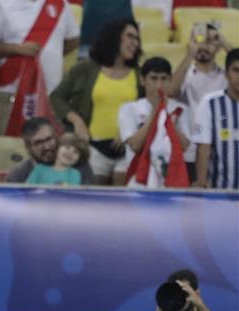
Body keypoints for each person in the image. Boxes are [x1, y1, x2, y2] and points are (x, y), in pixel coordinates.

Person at [0, 0, 80, 135]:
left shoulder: (59, 3)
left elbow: (73, 39)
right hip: (10, 88)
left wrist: (46, 54)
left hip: (51, 90)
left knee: (48, 146)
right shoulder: (1, 5)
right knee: (7, 144)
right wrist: (18, 49)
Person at [51, 18, 142, 184]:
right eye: (130, 36)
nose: (135, 42)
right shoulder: (85, 69)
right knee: (94, 196)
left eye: (137, 38)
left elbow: (149, 109)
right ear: (114, 37)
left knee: (123, 200)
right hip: (93, 147)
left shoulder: (139, 75)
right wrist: (77, 120)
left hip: (128, 149)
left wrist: (130, 133)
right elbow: (56, 97)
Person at [118, 57, 190, 188]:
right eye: (153, 78)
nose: (159, 85)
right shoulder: (129, 109)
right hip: (139, 179)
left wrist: (166, 114)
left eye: (164, 79)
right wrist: (155, 112)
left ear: (170, 80)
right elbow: (135, 146)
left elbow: (184, 146)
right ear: (142, 80)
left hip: (171, 179)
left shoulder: (180, 109)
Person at [170, 23, 231, 177]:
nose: (203, 46)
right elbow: (170, 92)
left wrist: (223, 42)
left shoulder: (228, 77)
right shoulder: (185, 74)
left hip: (223, 152)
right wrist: (190, 54)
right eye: (199, 40)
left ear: (218, 47)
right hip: (190, 152)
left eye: (210, 41)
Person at [192, 48, 239, 190]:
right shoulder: (210, 103)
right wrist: (201, 183)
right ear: (226, 74)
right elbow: (203, 148)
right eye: (236, 70)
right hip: (221, 194)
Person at [6, 116, 94, 183]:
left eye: (49, 139)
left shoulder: (79, 165)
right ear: (28, 148)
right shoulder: (18, 176)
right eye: (38, 143)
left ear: (56, 136)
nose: (47, 147)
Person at [150, 269, 218, 311]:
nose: (179, 296)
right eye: (175, 292)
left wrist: (200, 305)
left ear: (196, 293)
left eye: (184, 292)